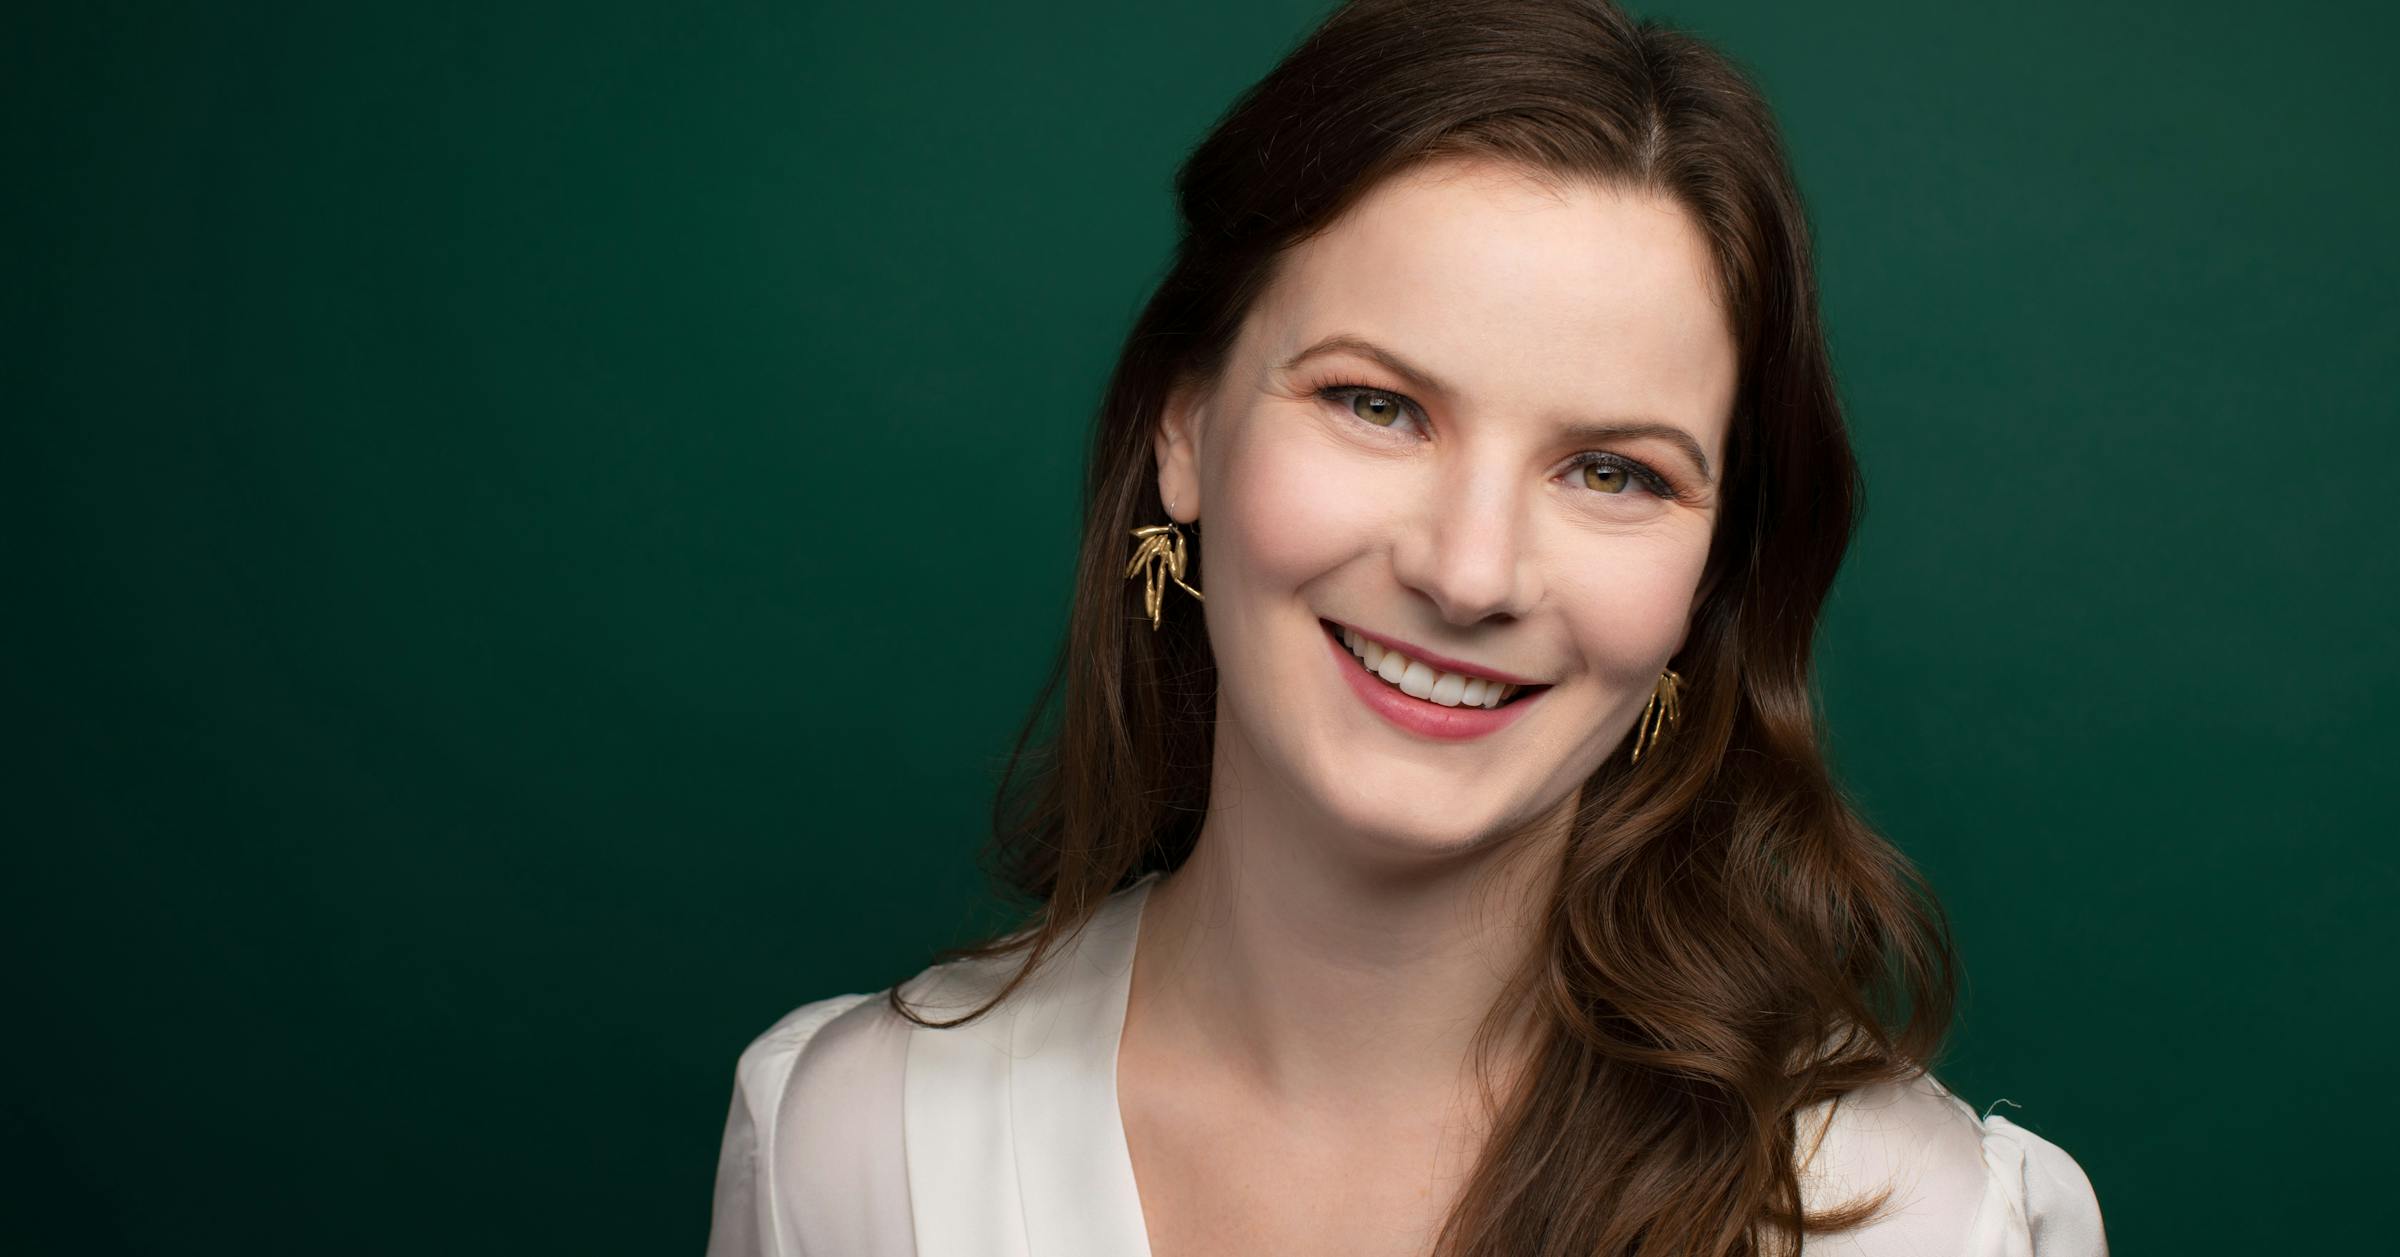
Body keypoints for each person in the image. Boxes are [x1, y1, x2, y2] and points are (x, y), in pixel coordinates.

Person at [705, 1, 2108, 1253]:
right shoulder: (850, 1143)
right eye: (1376, 404)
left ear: (1706, 586)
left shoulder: (1921, 1225)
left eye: (1612, 471)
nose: (1469, 571)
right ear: (1185, 427)